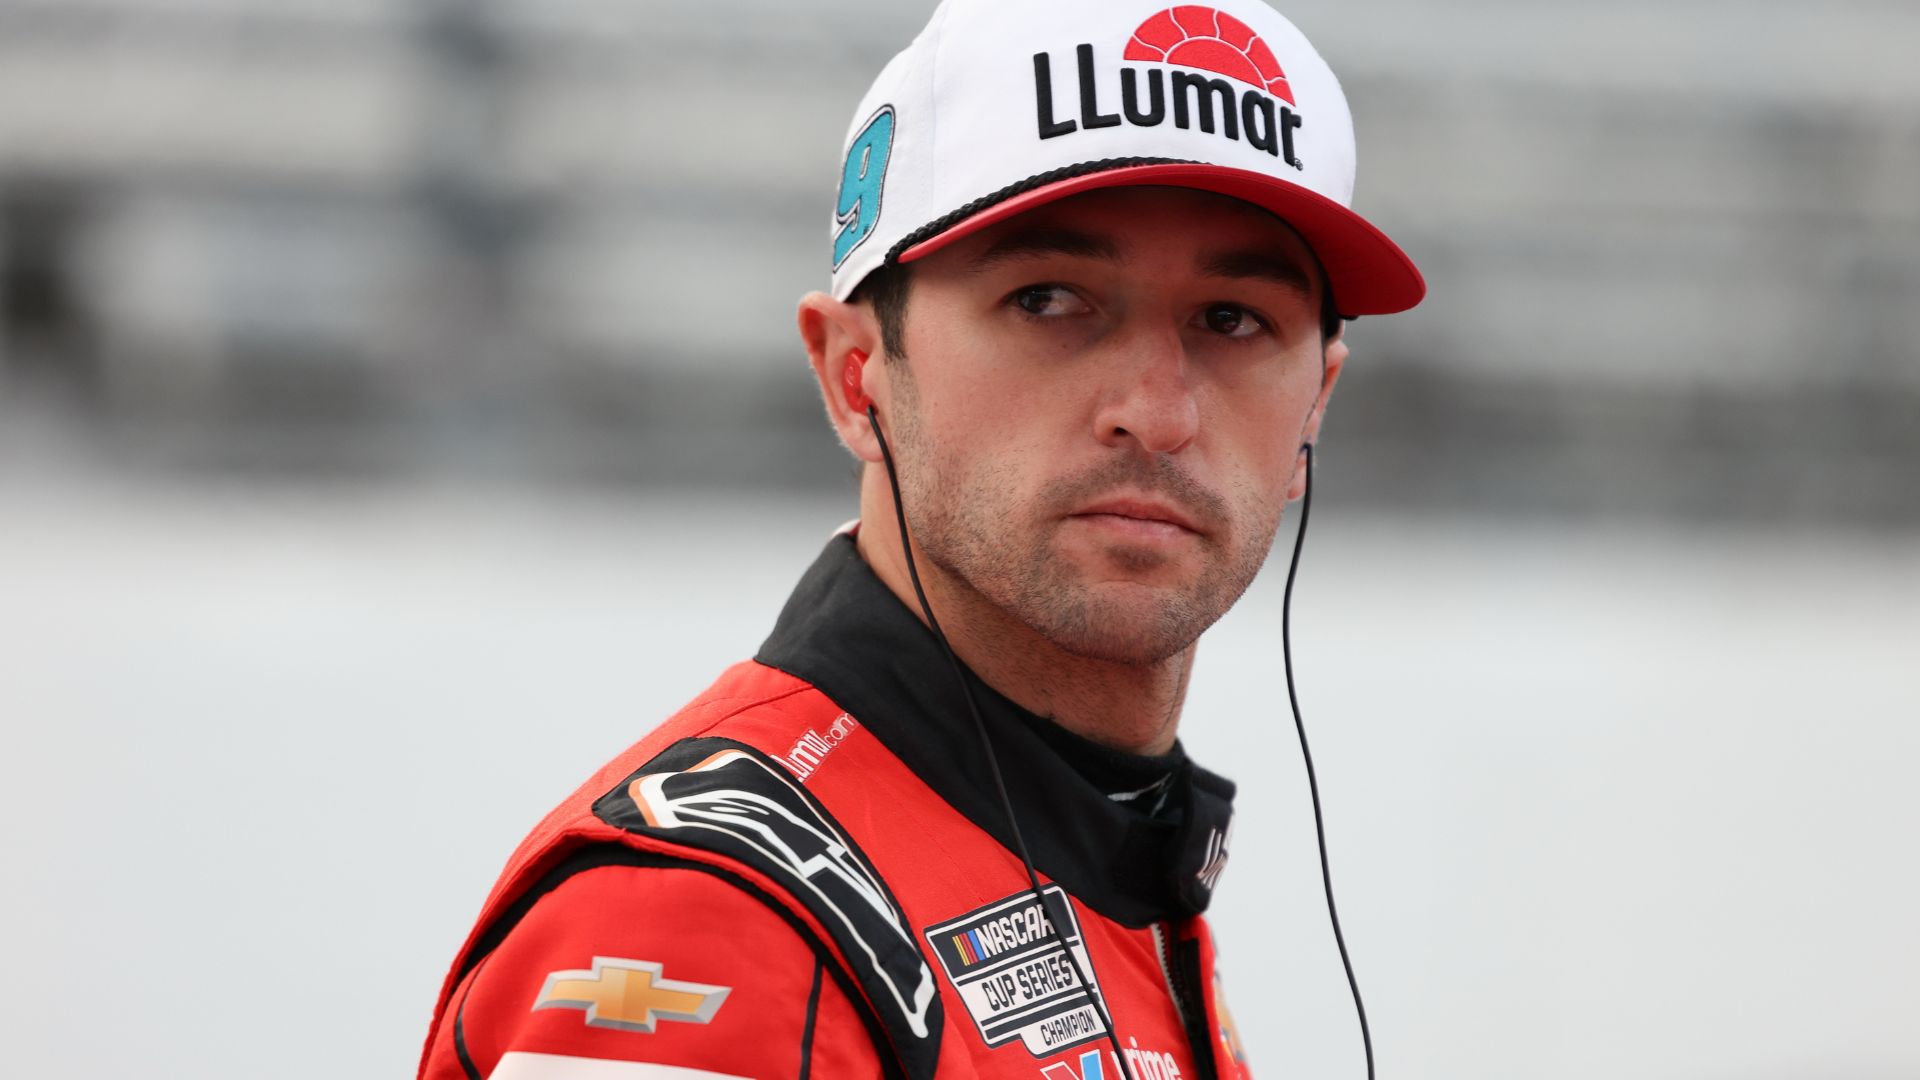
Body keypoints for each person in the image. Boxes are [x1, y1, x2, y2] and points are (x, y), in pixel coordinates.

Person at [417, 0, 1423, 1076]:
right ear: (857, 377)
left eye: (1232, 319)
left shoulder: (1115, 855)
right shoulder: (710, 923)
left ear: (1315, 403)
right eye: (1049, 299)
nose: (1159, 413)